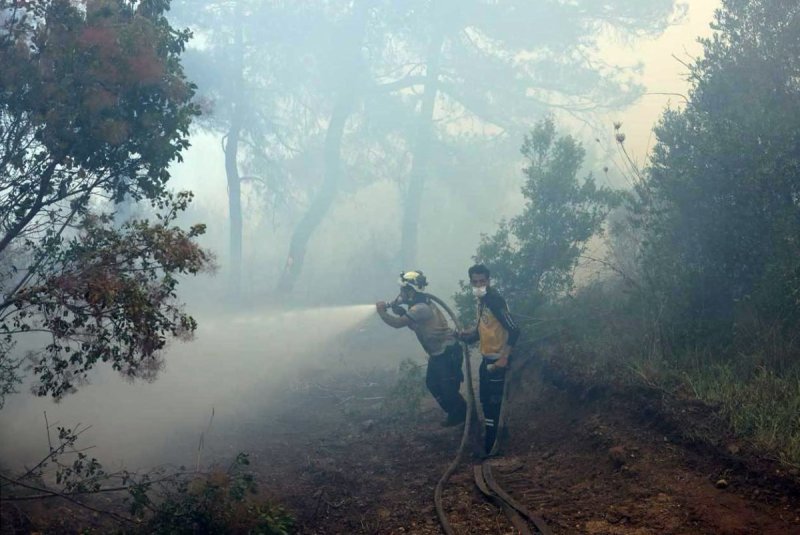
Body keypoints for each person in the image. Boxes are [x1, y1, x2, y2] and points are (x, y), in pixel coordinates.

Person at [376, 270, 467, 427]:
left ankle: (466, 418)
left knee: (448, 390)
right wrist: (403, 312)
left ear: (411, 290)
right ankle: (456, 414)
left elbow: (397, 324)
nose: (401, 293)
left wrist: (381, 312)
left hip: (447, 351)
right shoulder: (417, 306)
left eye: (403, 290)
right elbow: (415, 326)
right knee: (432, 384)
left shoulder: (420, 308)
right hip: (438, 353)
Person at [458, 264, 520, 454]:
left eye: (482, 281)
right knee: (485, 400)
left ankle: (491, 448)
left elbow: (514, 330)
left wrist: (504, 358)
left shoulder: (494, 300)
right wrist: (465, 335)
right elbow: (483, 329)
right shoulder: (482, 301)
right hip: (487, 359)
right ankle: (500, 436)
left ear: (488, 281)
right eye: (475, 282)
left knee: (493, 404)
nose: (478, 284)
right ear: (471, 282)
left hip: (498, 361)